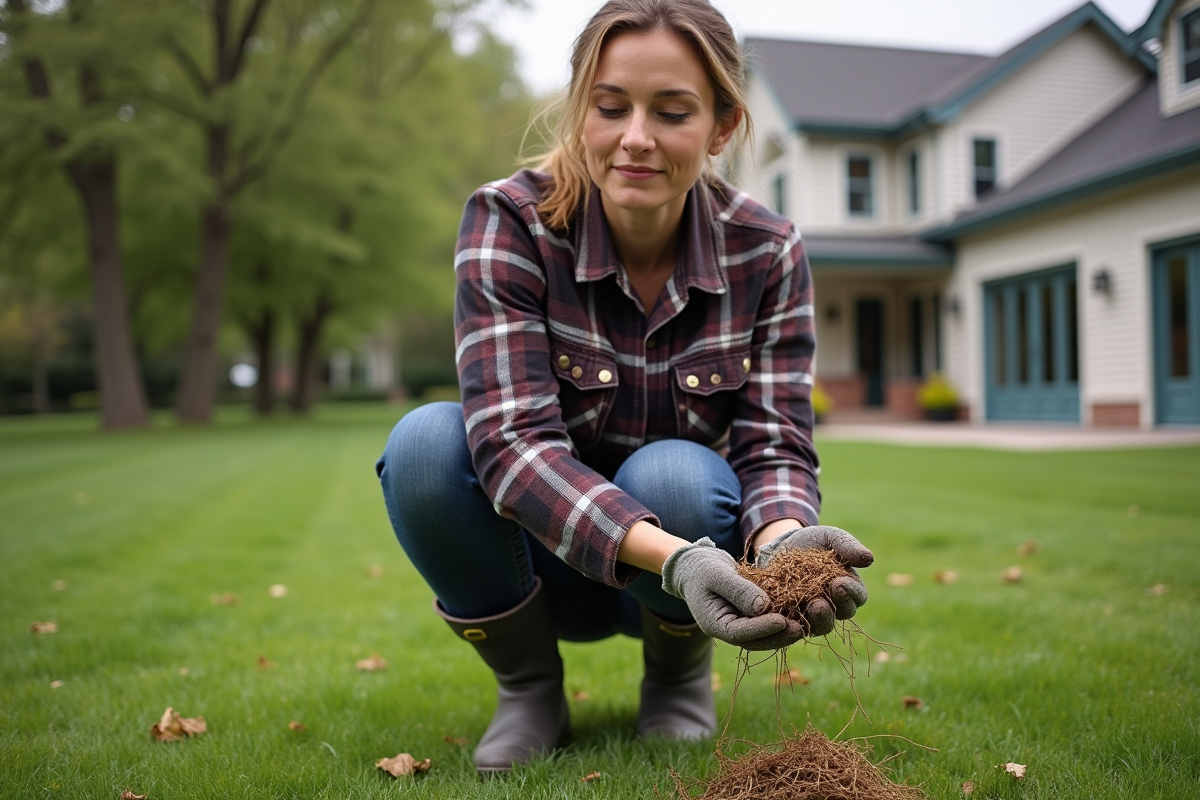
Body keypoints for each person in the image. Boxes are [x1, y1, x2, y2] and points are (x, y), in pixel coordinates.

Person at [376, 0, 874, 775]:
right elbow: (510, 444)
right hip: (543, 564)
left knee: (675, 470)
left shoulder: (768, 251)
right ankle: (531, 690)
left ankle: (675, 680)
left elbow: (773, 442)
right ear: (582, 110)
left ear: (721, 128)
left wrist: (780, 543)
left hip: (687, 569)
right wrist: (673, 558)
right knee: (422, 447)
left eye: (671, 112)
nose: (635, 138)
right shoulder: (510, 220)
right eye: (611, 107)